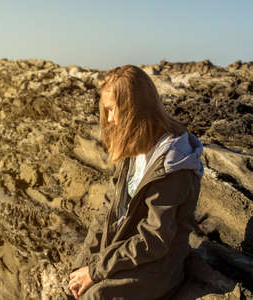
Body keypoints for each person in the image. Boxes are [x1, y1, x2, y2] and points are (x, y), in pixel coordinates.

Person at [68, 65, 204, 299]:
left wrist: (96, 270)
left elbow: (155, 239)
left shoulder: (172, 164)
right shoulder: (135, 145)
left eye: (113, 110)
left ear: (134, 109)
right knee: (72, 284)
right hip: (124, 250)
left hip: (159, 266)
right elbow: (106, 212)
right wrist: (83, 264)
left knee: (96, 295)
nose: (109, 119)